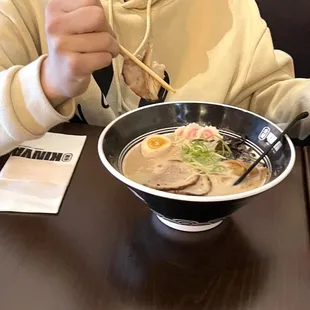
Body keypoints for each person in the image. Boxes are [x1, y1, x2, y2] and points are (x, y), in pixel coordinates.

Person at [0, 0, 309, 156]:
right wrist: (46, 84)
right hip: (60, 241)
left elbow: (262, 96)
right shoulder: (23, 7)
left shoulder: (229, 8)